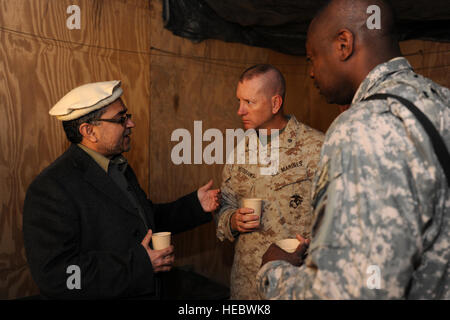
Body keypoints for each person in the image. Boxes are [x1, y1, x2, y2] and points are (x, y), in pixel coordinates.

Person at [257, 0, 449, 299]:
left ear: (343, 44)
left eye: (312, 58)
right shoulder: (442, 102)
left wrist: (273, 272)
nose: (310, 72)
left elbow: (348, 293)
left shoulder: (362, 128)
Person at [23, 80, 220, 299]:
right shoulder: (51, 188)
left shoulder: (117, 166)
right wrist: (139, 265)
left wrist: (195, 204)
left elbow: (141, 221)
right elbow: (59, 277)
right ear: (89, 131)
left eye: (128, 116)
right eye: (121, 119)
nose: (131, 124)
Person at [215, 64, 324, 299]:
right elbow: (223, 207)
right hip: (247, 287)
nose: (240, 111)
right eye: (239, 101)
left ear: (275, 103)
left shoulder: (316, 148)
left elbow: (337, 217)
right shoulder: (239, 152)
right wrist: (232, 220)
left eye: (249, 102)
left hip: (295, 286)